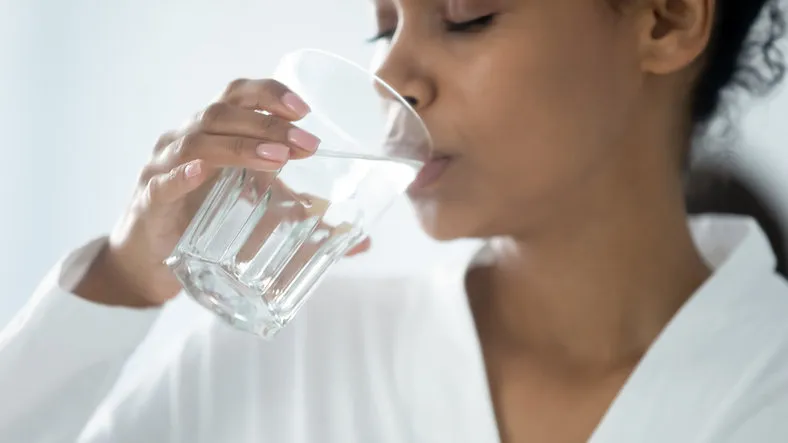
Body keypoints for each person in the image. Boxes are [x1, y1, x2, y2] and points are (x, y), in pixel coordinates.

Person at [1, 0, 787, 441]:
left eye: (466, 16)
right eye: (385, 25)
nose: (392, 79)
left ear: (666, 18)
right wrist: (119, 280)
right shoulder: (288, 361)